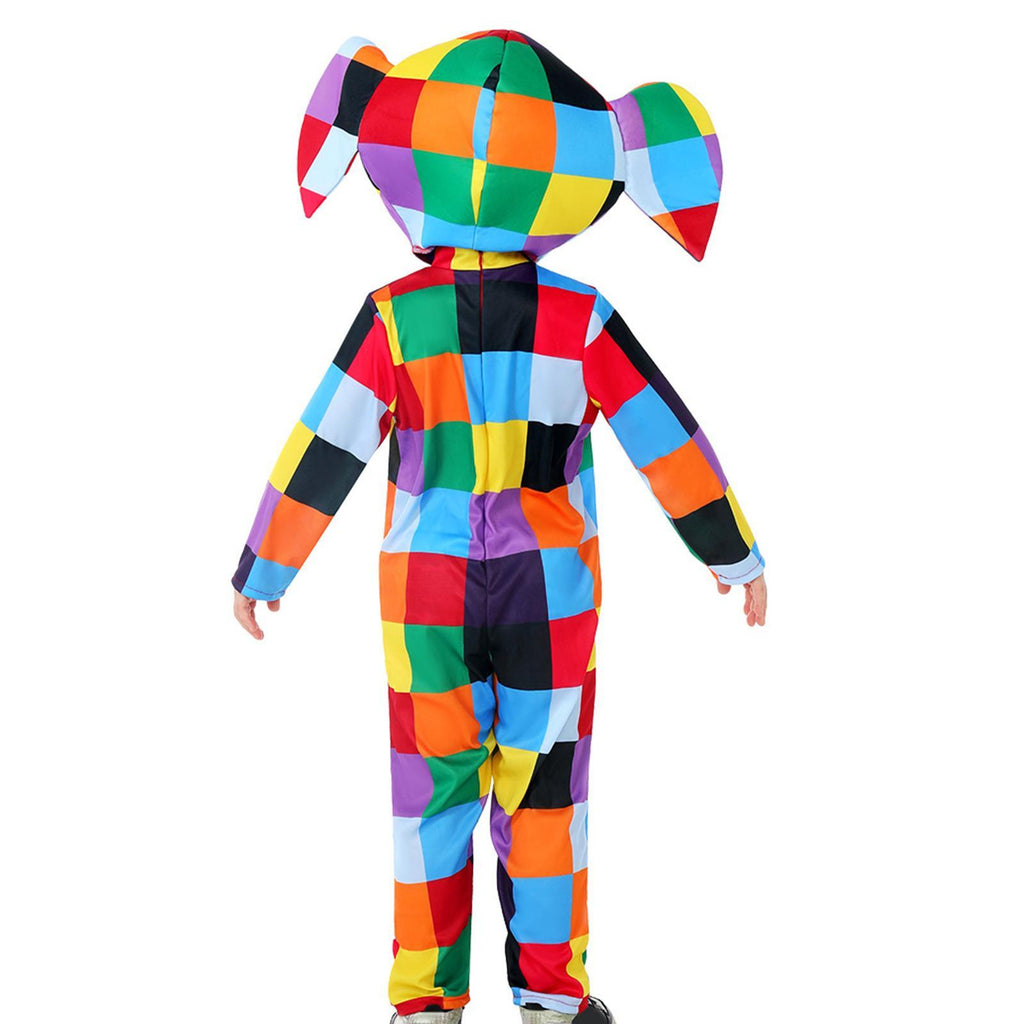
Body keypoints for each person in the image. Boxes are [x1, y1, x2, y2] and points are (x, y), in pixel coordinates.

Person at [230, 29, 767, 1024]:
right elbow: (663, 435)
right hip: (549, 588)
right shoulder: (582, 319)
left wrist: (265, 565)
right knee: (545, 791)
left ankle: (428, 1001)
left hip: (424, 592)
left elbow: (327, 445)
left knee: (429, 791)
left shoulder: (395, 318)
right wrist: (729, 551)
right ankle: (551, 1000)